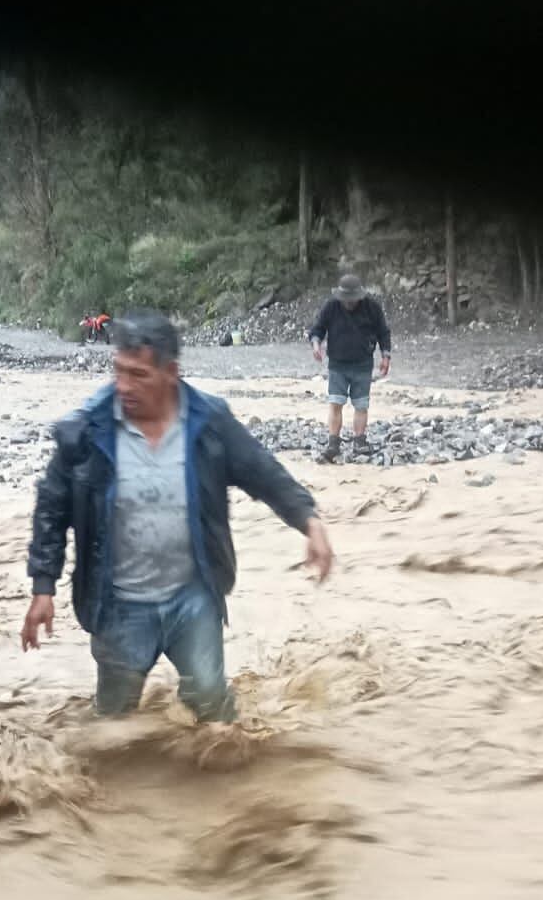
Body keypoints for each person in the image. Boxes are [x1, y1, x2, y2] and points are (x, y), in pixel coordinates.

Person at [21, 309, 334, 719]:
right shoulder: (87, 431)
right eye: (119, 371)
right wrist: (43, 586)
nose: (124, 386)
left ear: (171, 372)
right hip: (119, 604)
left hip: (193, 596)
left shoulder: (208, 422)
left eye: (138, 375)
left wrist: (308, 520)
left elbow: (261, 471)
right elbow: (52, 505)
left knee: (212, 706)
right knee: (114, 724)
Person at [308, 273, 392, 462]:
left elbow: (383, 332)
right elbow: (318, 328)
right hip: (338, 364)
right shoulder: (331, 306)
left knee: (361, 405)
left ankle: (359, 441)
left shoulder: (372, 307)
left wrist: (385, 356)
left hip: (363, 364)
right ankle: (333, 443)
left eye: (352, 300)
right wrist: (316, 344)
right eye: (346, 300)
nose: (349, 303)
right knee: (336, 403)